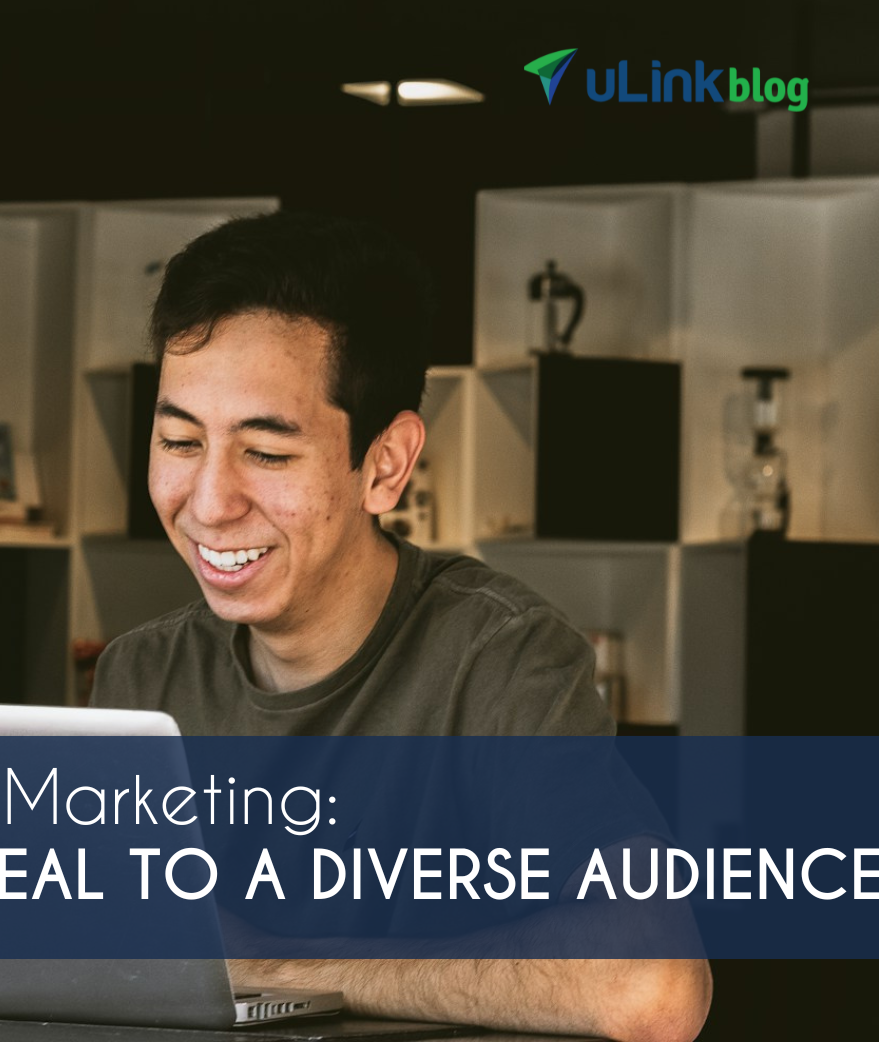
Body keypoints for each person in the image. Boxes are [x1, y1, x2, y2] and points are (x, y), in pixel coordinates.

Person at [92, 212, 711, 1042]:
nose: (208, 503)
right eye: (177, 440)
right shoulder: (141, 676)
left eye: (266, 454)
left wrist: (276, 969)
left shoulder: (500, 660)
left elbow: (652, 987)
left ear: (385, 465)